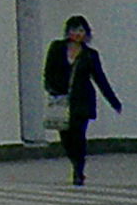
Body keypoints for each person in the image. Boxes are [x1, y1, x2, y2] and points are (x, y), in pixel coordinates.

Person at [44, 14, 121, 186]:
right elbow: (48, 71)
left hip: (83, 101)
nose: (77, 34)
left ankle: (79, 169)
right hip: (62, 99)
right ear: (68, 31)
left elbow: (100, 78)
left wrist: (113, 101)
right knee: (65, 136)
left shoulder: (90, 55)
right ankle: (74, 161)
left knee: (79, 135)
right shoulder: (57, 48)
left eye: (81, 30)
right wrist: (52, 88)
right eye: (74, 30)